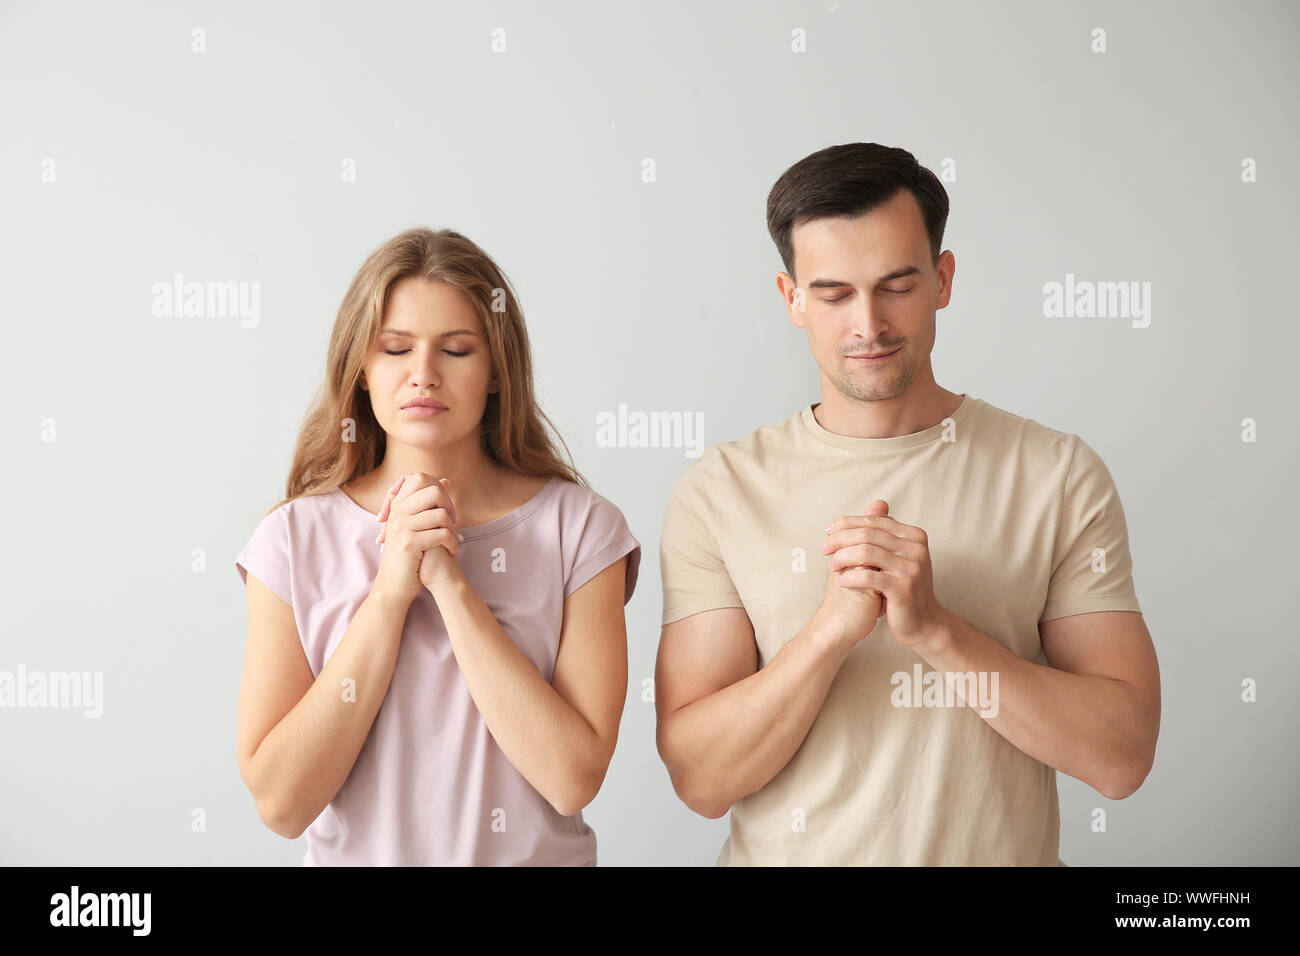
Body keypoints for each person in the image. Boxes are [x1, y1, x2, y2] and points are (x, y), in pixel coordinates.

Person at [654, 143, 1160, 866]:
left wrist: (937, 631)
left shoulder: (1057, 474)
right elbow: (701, 781)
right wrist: (829, 633)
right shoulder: (719, 490)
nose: (868, 324)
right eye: (832, 294)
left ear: (942, 278)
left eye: (897, 285)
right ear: (791, 298)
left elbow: (1123, 756)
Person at [234, 227, 640, 865]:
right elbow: (283, 805)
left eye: (455, 350)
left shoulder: (581, 530)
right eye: (395, 349)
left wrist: (450, 585)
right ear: (361, 371)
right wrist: (391, 592)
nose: (423, 376)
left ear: (497, 371)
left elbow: (572, 778)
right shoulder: (290, 540)